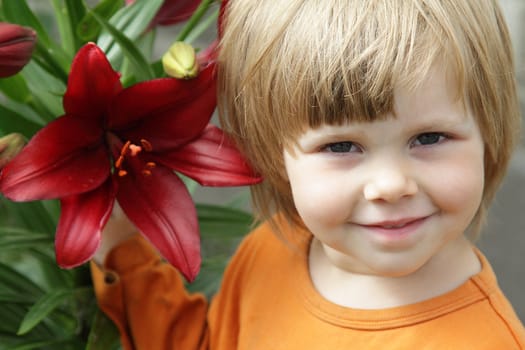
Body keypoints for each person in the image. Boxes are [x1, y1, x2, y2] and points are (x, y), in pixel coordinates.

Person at [91, 0, 525, 348]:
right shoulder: (273, 248)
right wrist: (122, 247)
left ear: (490, 130)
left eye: (429, 138)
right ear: (274, 153)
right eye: (340, 146)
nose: (391, 185)